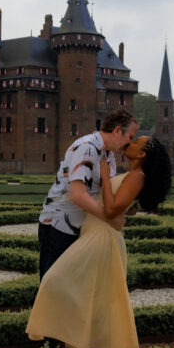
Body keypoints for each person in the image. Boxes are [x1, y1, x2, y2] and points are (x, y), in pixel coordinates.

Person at [26, 135, 172, 348]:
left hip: (101, 238)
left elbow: (112, 210)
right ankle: (73, 345)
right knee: (86, 293)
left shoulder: (137, 177)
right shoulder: (132, 175)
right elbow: (118, 207)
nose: (129, 143)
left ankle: (69, 343)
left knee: (54, 281)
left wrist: (104, 177)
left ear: (141, 154)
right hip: (93, 233)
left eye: (135, 142)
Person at [37, 110, 139, 281]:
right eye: (130, 136)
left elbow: (107, 195)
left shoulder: (107, 155)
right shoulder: (87, 147)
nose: (130, 143)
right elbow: (77, 195)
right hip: (58, 227)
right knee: (53, 289)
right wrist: (110, 217)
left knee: (73, 291)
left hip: (78, 227)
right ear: (117, 131)